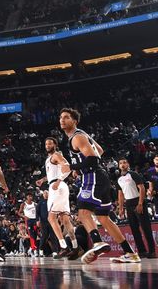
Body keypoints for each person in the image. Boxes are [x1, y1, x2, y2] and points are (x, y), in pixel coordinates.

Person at [59, 107, 139, 263]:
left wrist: (72, 167)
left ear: (74, 121)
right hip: (101, 177)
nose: (62, 119)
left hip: (93, 176)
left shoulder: (77, 136)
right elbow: (100, 150)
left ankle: (98, 242)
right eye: (61, 117)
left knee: (83, 212)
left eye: (66, 117)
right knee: (104, 218)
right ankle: (130, 253)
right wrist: (80, 167)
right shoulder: (83, 135)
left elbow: (94, 159)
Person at [35, 136, 79, 259]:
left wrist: (58, 181)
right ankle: (75, 247)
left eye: (50, 143)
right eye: (46, 144)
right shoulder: (50, 159)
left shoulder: (56, 155)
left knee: (51, 218)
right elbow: (55, 172)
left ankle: (63, 246)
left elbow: (67, 167)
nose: (47, 146)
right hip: (59, 186)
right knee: (65, 219)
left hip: (57, 187)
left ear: (55, 145)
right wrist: (43, 179)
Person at [117, 158, 156, 258]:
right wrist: (121, 208)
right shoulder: (119, 179)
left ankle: (152, 251)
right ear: (118, 166)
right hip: (128, 204)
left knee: (145, 227)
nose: (122, 165)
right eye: (120, 163)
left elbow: (142, 188)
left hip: (138, 201)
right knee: (134, 230)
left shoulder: (133, 174)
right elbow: (120, 194)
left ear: (128, 164)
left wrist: (140, 203)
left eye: (124, 162)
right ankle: (142, 251)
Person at [17, 193, 39, 257]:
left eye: (31, 196)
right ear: (26, 197)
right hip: (28, 220)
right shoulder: (23, 204)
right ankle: (34, 249)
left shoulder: (35, 204)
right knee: (31, 234)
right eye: (29, 196)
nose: (30, 197)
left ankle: (31, 248)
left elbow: (38, 212)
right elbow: (19, 213)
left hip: (34, 219)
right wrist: (24, 216)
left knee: (35, 234)